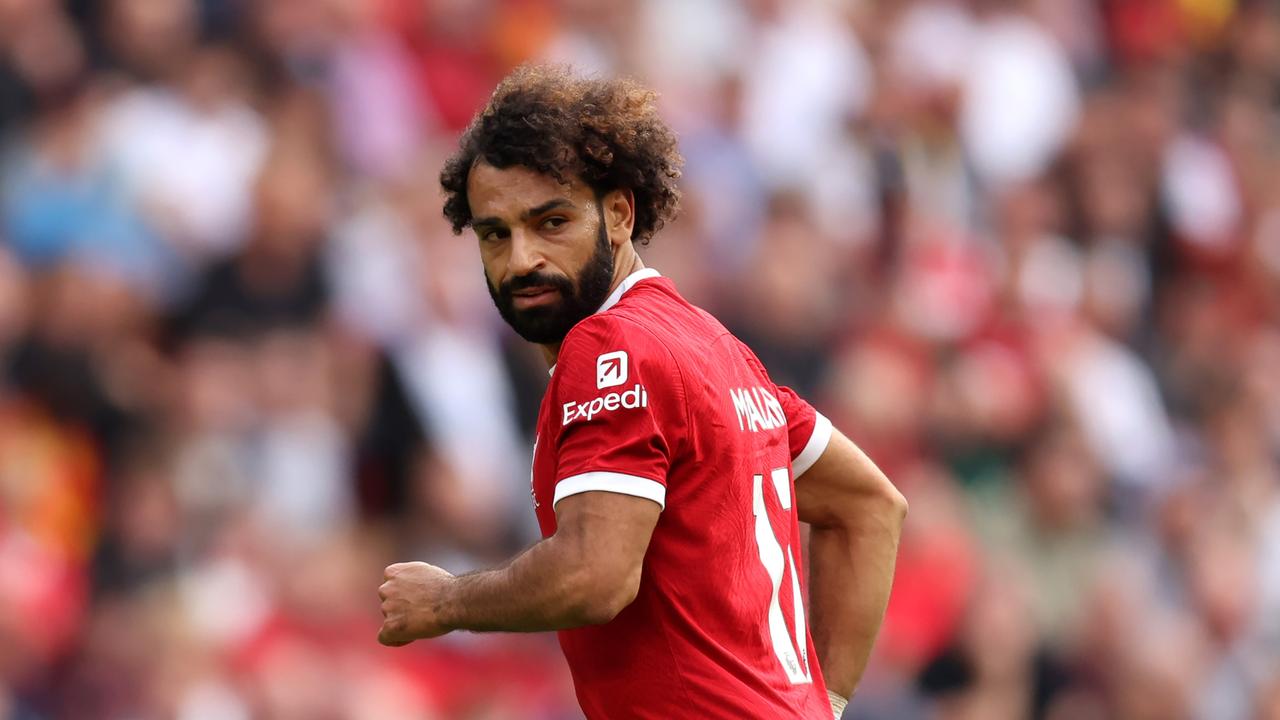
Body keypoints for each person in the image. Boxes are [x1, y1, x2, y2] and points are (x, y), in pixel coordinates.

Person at [376, 64, 907, 720]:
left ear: (620, 214)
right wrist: (823, 704)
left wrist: (446, 601)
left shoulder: (609, 348)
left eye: (551, 223)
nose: (520, 260)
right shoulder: (717, 348)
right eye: (495, 234)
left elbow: (595, 577)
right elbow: (870, 506)